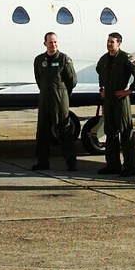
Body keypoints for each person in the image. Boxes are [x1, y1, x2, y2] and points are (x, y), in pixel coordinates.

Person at [95, 32, 135, 177]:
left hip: (121, 100)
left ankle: (129, 167)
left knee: (126, 133)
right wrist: (102, 88)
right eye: (108, 41)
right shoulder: (104, 59)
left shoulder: (126, 58)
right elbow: (100, 73)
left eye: (112, 41)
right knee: (110, 133)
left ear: (119, 43)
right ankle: (113, 165)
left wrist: (129, 91)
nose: (109, 44)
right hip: (108, 101)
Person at [32, 32, 77, 171]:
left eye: (55, 42)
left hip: (60, 99)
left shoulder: (64, 59)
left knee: (63, 130)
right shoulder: (39, 60)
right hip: (45, 99)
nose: (53, 45)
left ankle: (71, 163)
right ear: (45, 44)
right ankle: (43, 162)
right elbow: (39, 79)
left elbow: (72, 81)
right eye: (50, 42)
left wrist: (61, 93)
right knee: (42, 132)